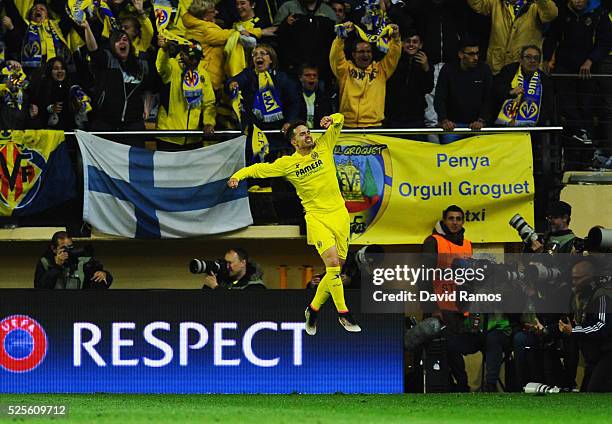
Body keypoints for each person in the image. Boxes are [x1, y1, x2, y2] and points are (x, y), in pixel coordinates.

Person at [227, 113, 362, 334]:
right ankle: (344, 313)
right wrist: (238, 176)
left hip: (340, 215)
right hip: (316, 217)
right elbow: (259, 169)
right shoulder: (287, 164)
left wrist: (330, 118)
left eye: (308, 132)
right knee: (332, 262)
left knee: (335, 270)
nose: (308, 136)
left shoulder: (324, 146)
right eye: (302, 134)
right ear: (293, 142)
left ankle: (313, 308)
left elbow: (340, 120)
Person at [543, 0, 612, 145]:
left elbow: (605, 42)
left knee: (586, 106)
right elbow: (551, 37)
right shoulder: (561, 11)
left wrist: (590, 60)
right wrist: (547, 59)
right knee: (565, 106)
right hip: (564, 68)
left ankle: (587, 146)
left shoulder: (599, 12)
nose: (578, 1)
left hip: (588, 69)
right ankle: (575, 138)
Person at [81, 19, 151, 138]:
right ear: (113, 46)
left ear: (130, 44)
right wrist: (87, 28)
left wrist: (147, 106)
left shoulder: (141, 65)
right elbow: (93, 50)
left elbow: (149, 88)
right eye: (117, 41)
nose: (122, 42)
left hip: (133, 125)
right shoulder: (107, 60)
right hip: (106, 124)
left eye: (125, 40)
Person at [330, 21, 401, 128]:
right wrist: (340, 38)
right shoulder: (345, 70)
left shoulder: (381, 70)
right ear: (353, 54)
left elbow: (393, 55)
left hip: (374, 126)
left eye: (368, 51)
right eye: (361, 51)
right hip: (348, 126)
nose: (365, 54)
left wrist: (395, 38)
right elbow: (336, 56)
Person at [559, 257, 612, 392]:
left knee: (594, 392)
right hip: (593, 359)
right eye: (573, 278)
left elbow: (602, 326)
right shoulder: (577, 297)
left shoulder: (602, 296)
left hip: (607, 356)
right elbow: (570, 323)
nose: (574, 282)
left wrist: (574, 331)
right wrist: (545, 330)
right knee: (586, 394)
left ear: (590, 278)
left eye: (578, 278)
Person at [467, 0, 558, 75]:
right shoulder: (496, 3)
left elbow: (551, 13)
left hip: (525, 70)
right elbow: (475, 3)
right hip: (497, 67)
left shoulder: (536, 6)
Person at [155, 36, 216, 144]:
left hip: (193, 139)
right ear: (182, 55)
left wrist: (209, 123)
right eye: (191, 58)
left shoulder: (203, 74)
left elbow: (209, 103)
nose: (195, 61)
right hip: (168, 137)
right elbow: (161, 67)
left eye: (197, 58)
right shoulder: (172, 66)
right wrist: (164, 50)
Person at [228, 44, 299, 134]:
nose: (258, 56)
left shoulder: (282, 78)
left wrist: (289, 122)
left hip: (278, 131)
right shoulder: (248, 74)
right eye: (255, 54)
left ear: (271, 59)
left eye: (262, 53)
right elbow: (235, 81)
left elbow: (294, 102)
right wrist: (232, 83)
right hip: (253, 132)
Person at [434, 39, 493, 144]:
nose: (475, 58)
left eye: (477, 53)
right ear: (461, 54)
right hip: (453, 126)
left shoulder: (484, 69)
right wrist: (444, 120)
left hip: (477, 126)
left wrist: (481, 120)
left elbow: (489, 98)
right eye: (471, 54)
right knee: (448, 155)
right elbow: (439, 98)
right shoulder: (447, 70)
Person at [274, 0, 337, 79]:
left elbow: (335, 38)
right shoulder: (288, 7)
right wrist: (285, 24)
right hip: (291, 70)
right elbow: (275, 33)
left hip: (321, 71)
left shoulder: (328, 11)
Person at [384, 29, 434, 130]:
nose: (411, 45)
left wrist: (426, 68)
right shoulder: (394, 60)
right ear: (402, 43)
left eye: (415, 42)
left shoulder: (426, 63)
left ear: (420, 45)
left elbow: (428, 88)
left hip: (416, 118)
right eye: (408, 41)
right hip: (393, 117)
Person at [493, 45, 553, 127]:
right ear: (520, 60)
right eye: (528, 57)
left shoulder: (544, 80)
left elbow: (547, 107)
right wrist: (510, 92)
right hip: (504, 125)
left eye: (536, 58)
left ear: (539, 62)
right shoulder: (509, 71)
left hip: (532, 129)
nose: (532, 61)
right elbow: (495, 92)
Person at [34, 231, 113, 289]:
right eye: (63, 248)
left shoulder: (82, 262)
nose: (68, 252)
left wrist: (104, 274)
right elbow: (39, 288)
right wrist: (56, 266)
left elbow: (104, 280)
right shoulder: (45, 262)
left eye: (70, 247)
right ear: (54, 249)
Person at [201, 247, 266, 290]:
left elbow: (236, 305)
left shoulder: (256, 286)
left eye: (230, 263)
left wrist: (216, 287)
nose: (227, 266)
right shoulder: (224, 280)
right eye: (225, 262)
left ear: (243, 263)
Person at [297, 64, 332, 128]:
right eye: (307, 75)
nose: (312, 78)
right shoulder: (293, 97)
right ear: (300, 78)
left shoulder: (324, 98)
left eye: (314, 75)